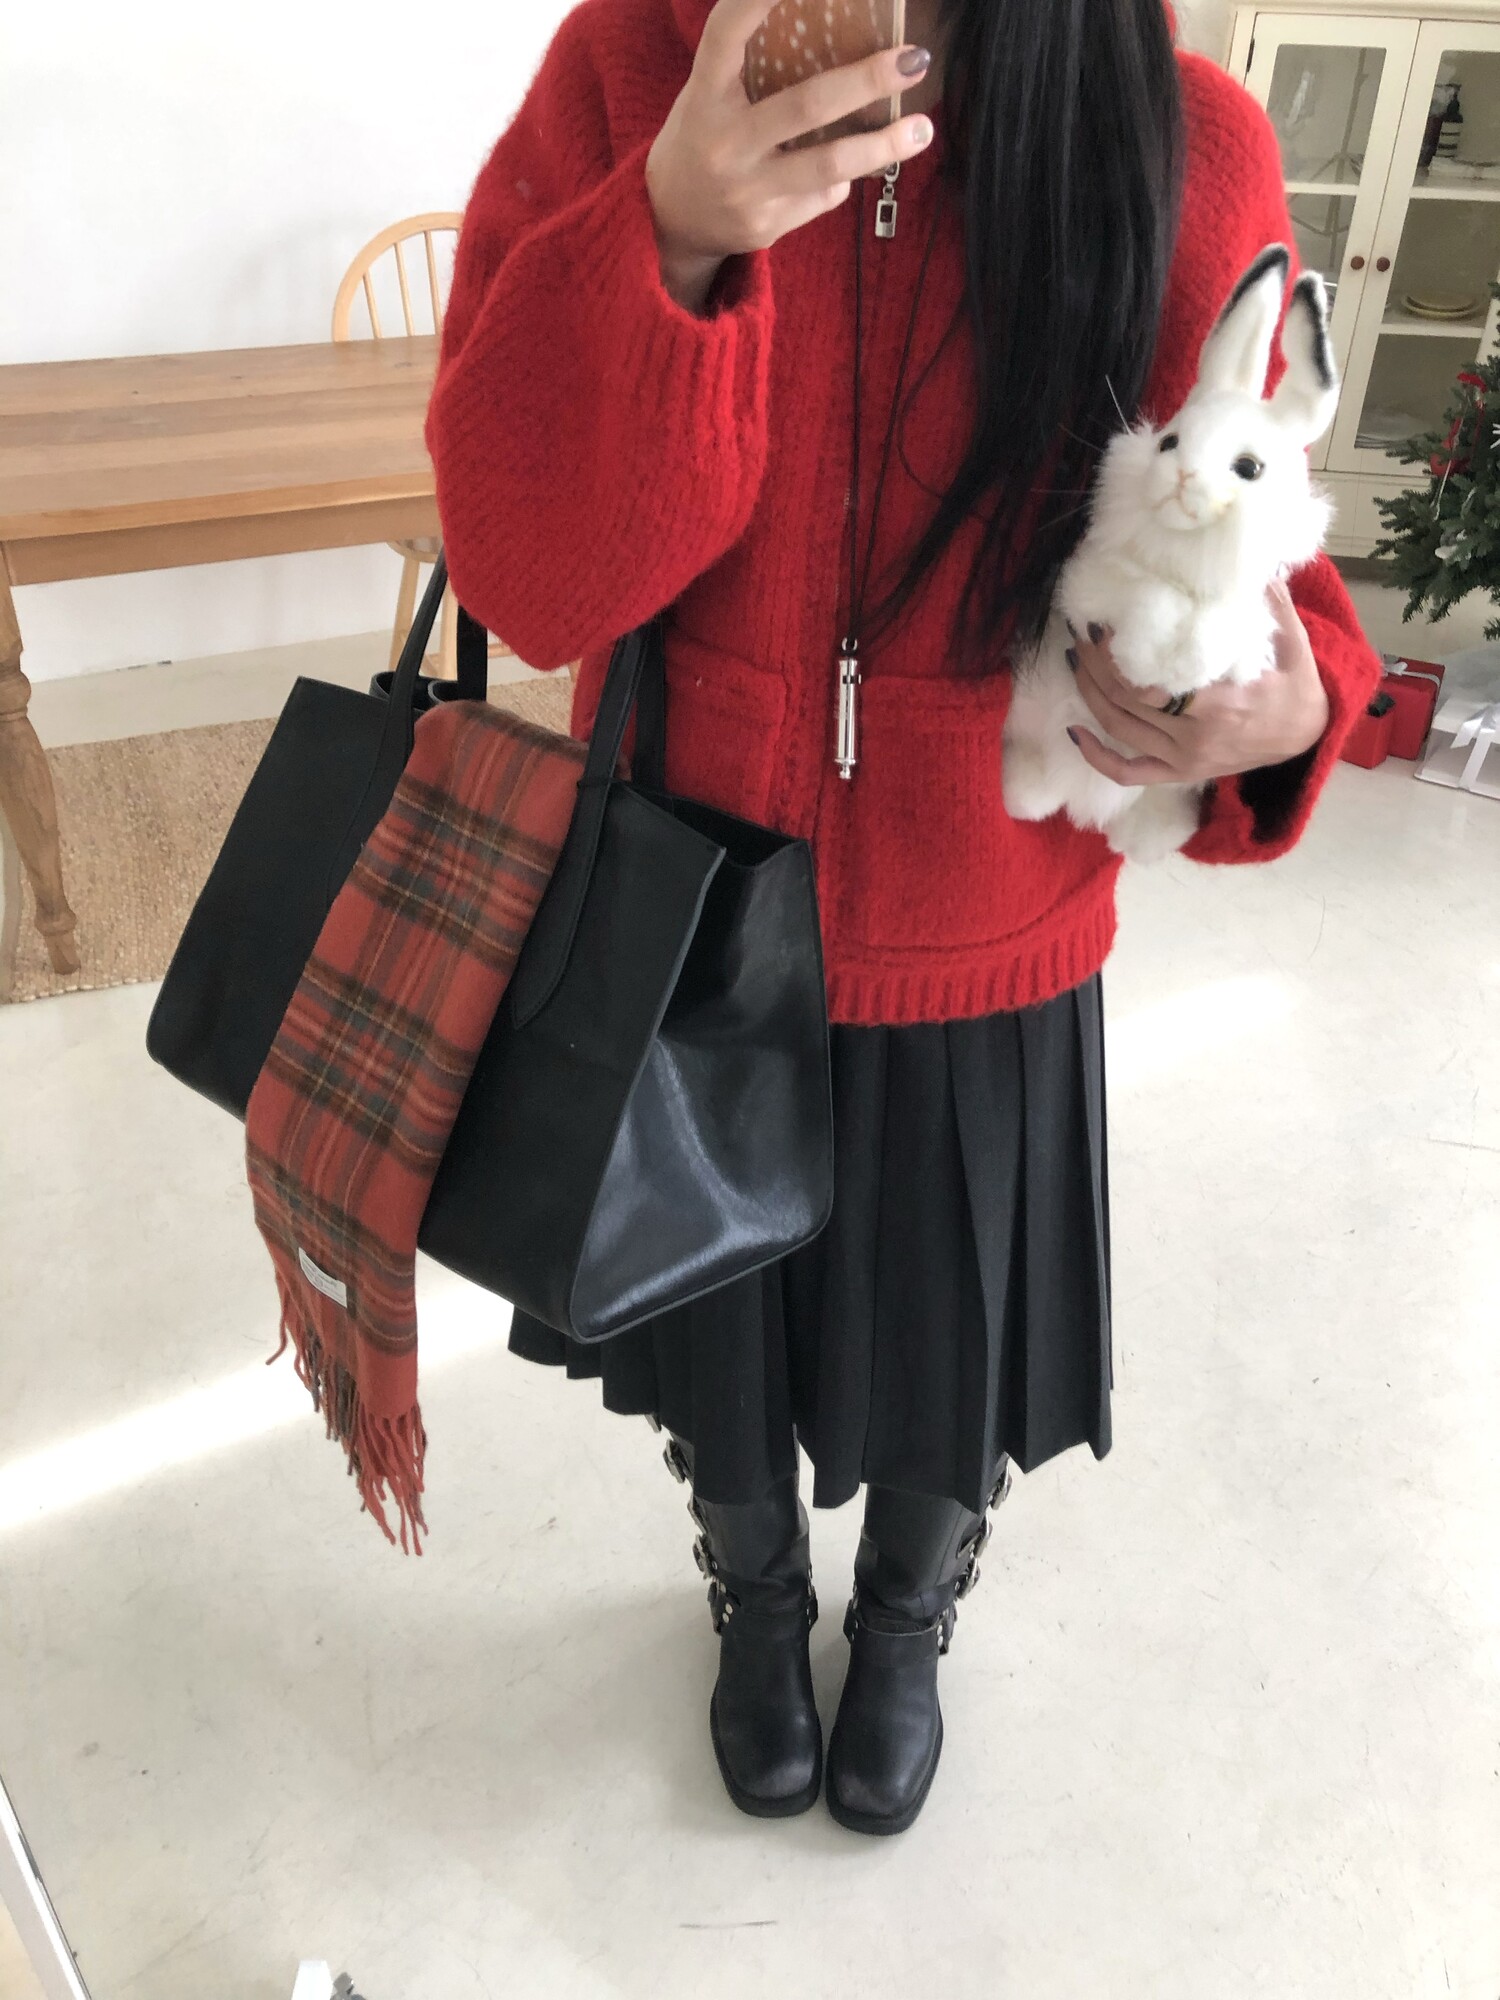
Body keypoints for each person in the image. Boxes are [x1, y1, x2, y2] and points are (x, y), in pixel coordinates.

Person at [426, 0, 1379, 1835]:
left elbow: (1261, 535)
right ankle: (754, 1590)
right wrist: (670, 231)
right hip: (695, 906)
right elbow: (528, 575)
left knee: (955, 1366)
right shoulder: (634, 65)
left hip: (991, 917)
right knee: (715, 1359)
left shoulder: (1178, 136)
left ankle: (907, 1617)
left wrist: (1288, 705)